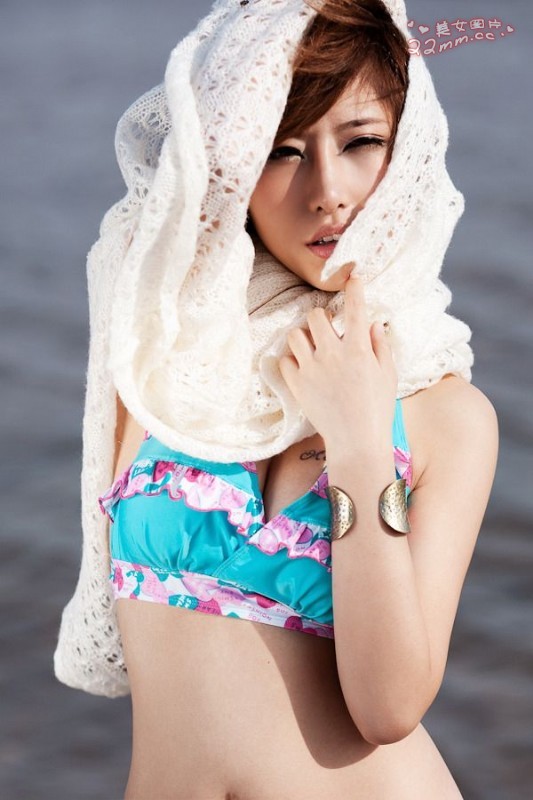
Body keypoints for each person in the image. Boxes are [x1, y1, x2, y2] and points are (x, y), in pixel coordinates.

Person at [54, 1, 498, 797]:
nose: (327, 191)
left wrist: (359, 441)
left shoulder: (444, 412)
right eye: (281, 149)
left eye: (360, 142)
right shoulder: (162, 347)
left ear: (407, 151)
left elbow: (387, 708)